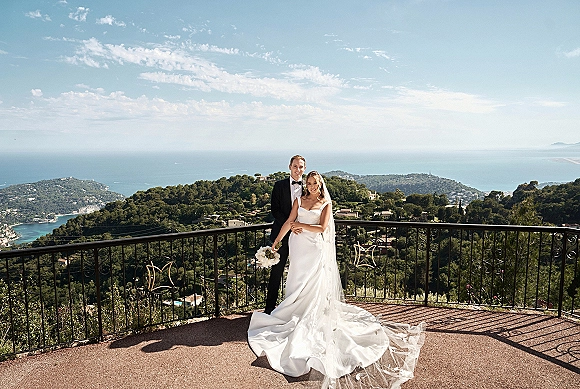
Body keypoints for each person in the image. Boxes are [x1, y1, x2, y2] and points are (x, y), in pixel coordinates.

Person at [248, 171, 425, 389]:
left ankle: (308, 314)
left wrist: (301, 227)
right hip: (297, 248)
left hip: (313, 249)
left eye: (315, 183)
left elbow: (322, 228)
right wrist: (276, 242)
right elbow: (288, 221)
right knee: (295, 281)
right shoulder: (299, 199)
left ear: (320, 184)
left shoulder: (325, 203)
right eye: (309, 183)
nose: (311, 186)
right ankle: (293, 311)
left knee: (311, 285)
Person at [264, 155, 306, 314]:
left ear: (304, 169)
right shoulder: (279, 185)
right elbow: (275, 210)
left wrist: (298, 225)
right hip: (282, 234)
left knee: (300, 271)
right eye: (295, 166)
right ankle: (269, 308)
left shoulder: (309, 187)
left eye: (301, 167)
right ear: (289, 167)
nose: (298, 170)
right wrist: (290, 224)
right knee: (276, 272)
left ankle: (297, 307)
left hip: (302, 236)